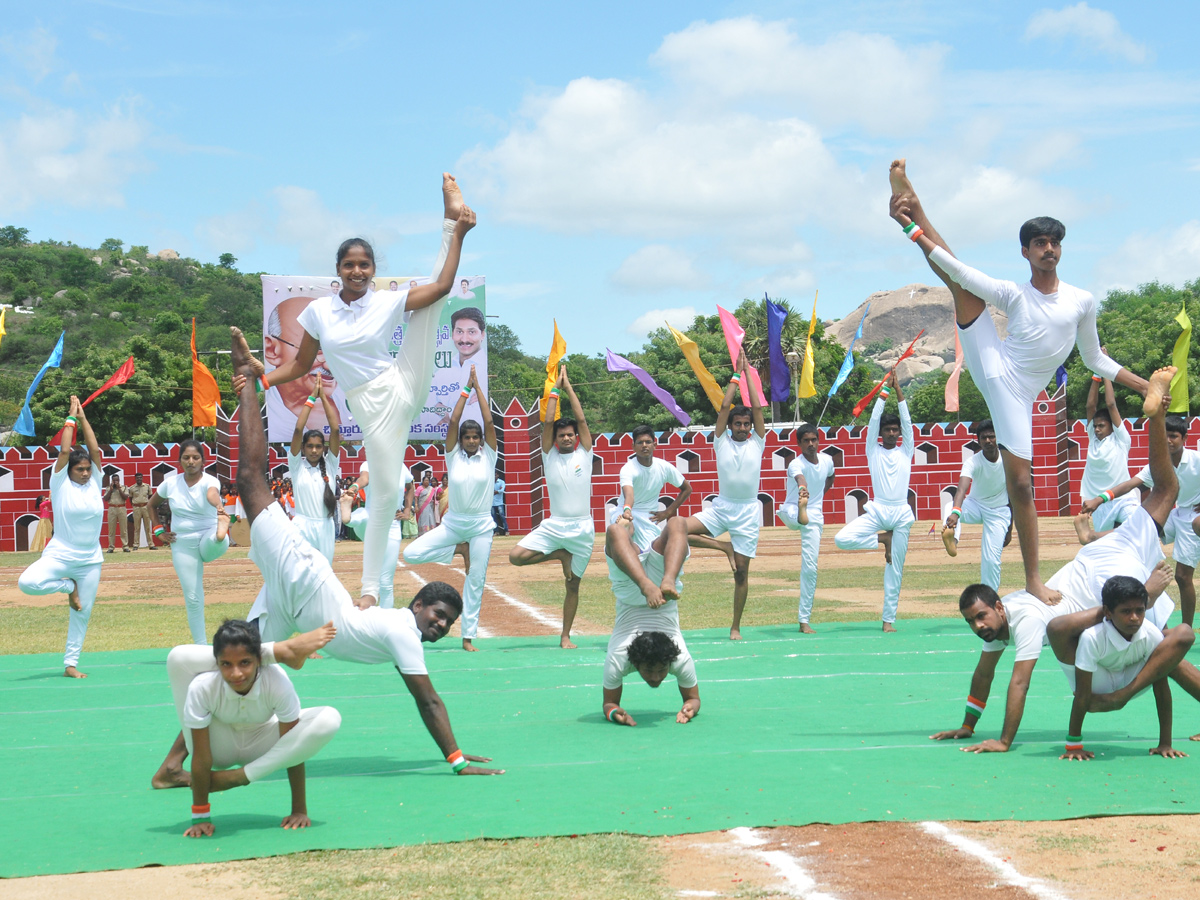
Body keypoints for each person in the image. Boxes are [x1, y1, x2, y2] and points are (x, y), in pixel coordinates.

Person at [228, 326, 503, 776]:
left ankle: (178, 763)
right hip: (310, 584)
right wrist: (455, 759)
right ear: (417, 606)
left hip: (301, 613)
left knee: (243, 659)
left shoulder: (402, 634)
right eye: (436, 614)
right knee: (249, 483)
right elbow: (427, 698)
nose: (440, 624)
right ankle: (247, 381)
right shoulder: (404, 633)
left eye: (448, 623)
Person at [889, 160, 1148, 607]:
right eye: (1040, 243)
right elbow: (957, 269)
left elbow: (1094, 358)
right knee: (958, 280)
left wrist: (1143, 387)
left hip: (1020, 391)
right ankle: (1033, 580)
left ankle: (913, 208)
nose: (1049, 248)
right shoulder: (1013, 293)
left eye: (1055, 242)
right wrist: (912, 230)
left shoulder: (1082, 300)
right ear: (1026, 252)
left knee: (1020, 487)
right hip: (997, 369)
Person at [257, 174, 475, 610]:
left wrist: (460, 238)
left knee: (430, 308)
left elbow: (442, 288)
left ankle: (451, 224)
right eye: (349, 265)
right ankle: (371, 590)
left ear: (373, 270)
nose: (357, 271)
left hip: (400, 382)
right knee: (385, 494)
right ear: (337, 270)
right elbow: (299, 365)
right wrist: (263, 379)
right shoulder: (319, 312)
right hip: (373, 407)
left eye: (365, 265)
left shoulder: (383, 301)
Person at [932, 368, 1177, 753]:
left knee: (1156, 659)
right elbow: (985, 672)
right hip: (1096, 553)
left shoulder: (1026, 619)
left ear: (997, 607)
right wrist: (967, 724)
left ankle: (1141, 597)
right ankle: (1156, 417)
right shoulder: (1003, 614)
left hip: (1109, 580)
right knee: (1166, 490)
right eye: (973, 621)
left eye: (979, 617)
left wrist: (1004, 740)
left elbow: (1019, 681)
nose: (978, 626)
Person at [153, 620, 342, 837]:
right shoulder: (202, 686)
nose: (236, 674)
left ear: (259, 661)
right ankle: (281, 650)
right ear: (216, 663)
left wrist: (299, 809)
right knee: (177, 657)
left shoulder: (277, 680)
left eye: (245, 662)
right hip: (219, 751)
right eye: (225, 664)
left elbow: (293, 746)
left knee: (329, 718)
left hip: (262, 746)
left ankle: (240, 776)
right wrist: (200, 817)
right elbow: (202, 757)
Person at [1049, 575, 1196, 761]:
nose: (1134, 618)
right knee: (1083, 693)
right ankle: (1117, 699)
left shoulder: (1150, 633)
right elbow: (1082, 694)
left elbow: (1161, 688)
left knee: (1182, 635)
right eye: (1126, 611)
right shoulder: (1092, 637)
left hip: (1129, 685)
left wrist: (1165, 743)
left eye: (1140, 610)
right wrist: (1073, 746)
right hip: (1097, 687)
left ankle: (1120, 697)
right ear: (1108, 613)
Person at [404, 365, 498, 651]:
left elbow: (489, 422)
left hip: (481, 525)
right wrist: (465, 390)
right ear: (460, 441)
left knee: (476, 579)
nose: (471, 440)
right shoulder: (453, 457)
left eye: (475, 437)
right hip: (454, 524)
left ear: (481, 440)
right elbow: (454, 420)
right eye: (467, 437)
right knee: (411, 553)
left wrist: (479, 389)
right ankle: (459, 549)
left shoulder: (489, 456)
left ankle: (468, 637)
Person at [1078, 414, 1200, 627]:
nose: (1168, 441)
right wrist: (1099, 499)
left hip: (1194, 516)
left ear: (1185, 438)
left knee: (1182, 576)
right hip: (1176, 513)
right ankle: (1093, 536)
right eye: (1165, 436)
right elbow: (1130, 484)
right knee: (1139, 529)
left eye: (1173, 436)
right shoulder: (1158, 465)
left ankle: (1186, 629)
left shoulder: (1196, 460)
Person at [681, 351, 766, 641]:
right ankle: (723, 548)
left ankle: (735, 627)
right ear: (729, 427)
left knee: (741, 574)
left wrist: (748, 377)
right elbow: (725, 406)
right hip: (722, 507)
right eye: (737, 424)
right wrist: (736, 374)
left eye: (746, 424)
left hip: (747, 512)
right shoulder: (720, 442)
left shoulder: (758, 442)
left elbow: (756, 406)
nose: (743, 428)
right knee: (676, 529)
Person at [17, 396, 104, 678]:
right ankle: (68, 587)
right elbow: (65, 451)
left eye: (88, 469)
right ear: (69, 471)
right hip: (60, 554)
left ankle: (70, 664)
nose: (85, 473)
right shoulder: (60, 482)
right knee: (27, 582)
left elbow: (94, 448)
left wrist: (83, 418)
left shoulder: (96, 481)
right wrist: (70, 417)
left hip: (90, 559)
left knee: (84, 613)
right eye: (80, 469)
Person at [509, 364, 595, 649]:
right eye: (562, 435)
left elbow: (582, 421)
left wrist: (569, 387)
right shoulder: (550, 456)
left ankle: (565, 635)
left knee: (573, 586)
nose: (567, 437)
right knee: (516, 557)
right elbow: (547, 423)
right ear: (556, 440)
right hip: (555, 526)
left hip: (582, 529)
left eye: (570, 434)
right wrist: (554, 391)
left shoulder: (586, 452)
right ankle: (559, 554)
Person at [834, 373, 914, 632]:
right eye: (887, 430)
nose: (892, 433)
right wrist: (883, 394)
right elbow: (872, 422)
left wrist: (899, 390)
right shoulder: (873, 449)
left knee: (895, 570)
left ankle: (888, 621)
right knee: (841, 539)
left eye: (894, 430)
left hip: (901, 513)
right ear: (881, 434)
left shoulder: (907, 450)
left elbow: (908, 421)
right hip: (878, 510)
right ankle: (883, 540)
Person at [601, 516, 699, 727]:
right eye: (651, 670)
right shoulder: (679, 658)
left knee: (617, 531)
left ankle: (631, 535)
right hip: (650, 588)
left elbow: (609, 704)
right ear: (635, 662)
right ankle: (661, 577)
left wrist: (612, 712)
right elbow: (694, 698)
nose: (656, 677)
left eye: (660, 670)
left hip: (630, 588)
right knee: (675, 524)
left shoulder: (618, 659)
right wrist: (692, 705)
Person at [147, 441, 232, 644]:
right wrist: (159, 531)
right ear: (180, 461)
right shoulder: (170, 483)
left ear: (203, 461)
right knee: (193, 597)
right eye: (186, 458)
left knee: (216, 541)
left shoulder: (210, 481)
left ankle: (221, 535)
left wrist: (219, 506)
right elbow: (151, 505)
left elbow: (211, 494)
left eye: (195, 457)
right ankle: (201, 647)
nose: (191, 461)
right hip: (182, 541)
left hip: (208, 533)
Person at [941, 419, 1012, 591]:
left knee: (991, 560)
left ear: (998, 438)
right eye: (984, 438)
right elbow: (961, 490)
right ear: (978, 440)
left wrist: (1009, 530)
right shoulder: (972, 462)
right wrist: (955, 514)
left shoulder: (1008, 460)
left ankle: (990, 599)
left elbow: (1014, 497)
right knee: (949, 505)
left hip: (999, 512)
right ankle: (953, 540)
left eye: (992, 437)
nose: (988, 441)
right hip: (975, 506)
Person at [778, 423, 833, 634]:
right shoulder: (795, 463)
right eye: (806, 441)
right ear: (799, 443)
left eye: (814, 440)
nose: (811, 444)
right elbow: (800, 478)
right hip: (792, 510)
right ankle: (802, 512)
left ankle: (804, 621)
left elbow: (831, 476)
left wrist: (818, 497)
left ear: (818, 441)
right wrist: (803, 490)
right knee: (798, 516)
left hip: (814, 515)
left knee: (810, 568)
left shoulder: (827, 461)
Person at [339, 457, 415, 608]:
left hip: (392, 524)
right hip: (371, 518)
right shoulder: (369, 464)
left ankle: (385, 622)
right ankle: (348, 518)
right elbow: (364, 479)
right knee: (363, 517)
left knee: (386, 582)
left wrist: (407, 510)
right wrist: (354, 487)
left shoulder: (401, 467)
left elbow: (410, 486)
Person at [1074, 371, 1137, 542]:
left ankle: (1090, 536)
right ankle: (1094, 538)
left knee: (1137, 528)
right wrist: (1096, 376)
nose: (1096, 429)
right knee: (1108, 544)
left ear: (1112, 426)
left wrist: (1105, 370)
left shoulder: (1122, 440)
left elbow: (1111, 404)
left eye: (1101, 426)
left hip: (1123, 498)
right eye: (1095, 426)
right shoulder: (1093, 439)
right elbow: (1090, 407)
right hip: (1098, 501)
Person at [286, 377, 342, 562]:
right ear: (303, 448)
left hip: (325, 527)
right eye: (309, 446)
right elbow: (298, 429)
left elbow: (335, 429)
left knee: (324, 573)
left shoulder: (331, 466)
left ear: (323, 449)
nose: (314, 450)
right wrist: (311, 397)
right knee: (301, 573)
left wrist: (323, 398)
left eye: (318, 446)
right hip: (301, 525)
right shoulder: (297, 467)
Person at [614, 424, 693, 553]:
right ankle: (618, 555)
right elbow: (629, 495)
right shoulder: (628, 469)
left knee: (654, 552)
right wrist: (627, 510)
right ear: (633, 447)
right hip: (624, 512)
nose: (644, 445)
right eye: (640, 442)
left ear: (654, 445)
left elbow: (687, 489)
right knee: (625, 525)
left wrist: (668, 512)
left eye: (648, 442)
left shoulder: (664, 467)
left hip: (649, 518)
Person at [104, 472, 130, 553]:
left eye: (117, 480)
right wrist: (111, 490)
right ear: (112, 480)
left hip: (121, 508)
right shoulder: (109, 488)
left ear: (119, 480)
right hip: (112, 508)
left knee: (124, 529)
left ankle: (125, 546)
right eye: (114, 481)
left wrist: (119, 489)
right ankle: (111, 547)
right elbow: (105, 498)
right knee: (111, 529)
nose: (115, 482)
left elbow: (125, 497)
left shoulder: (124, 487)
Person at [129, 473, 154, 550]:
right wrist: (134, 504)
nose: (139, 479)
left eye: (140, 478)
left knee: (147, 527)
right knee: (137, 527)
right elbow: (130, 498)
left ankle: (151, 544)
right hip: (136, 508)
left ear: (142, 478)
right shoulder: (132, 488)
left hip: (145, 507)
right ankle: (136, 545)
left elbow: (150, 496)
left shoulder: (147, 486)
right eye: (137, 478)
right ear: (135, 479)